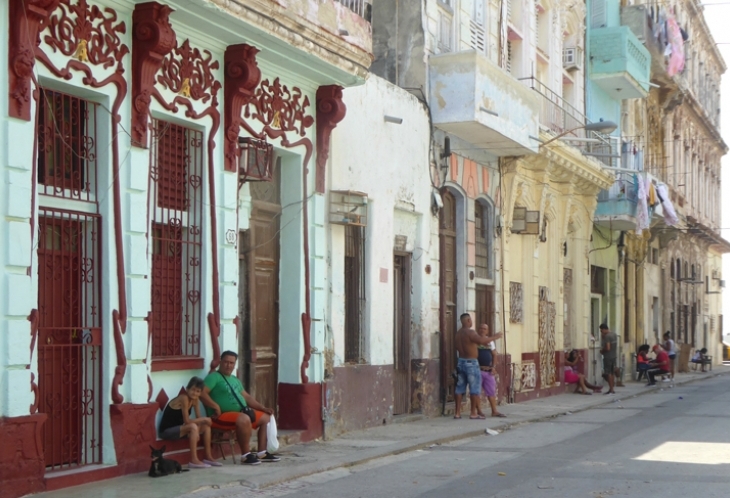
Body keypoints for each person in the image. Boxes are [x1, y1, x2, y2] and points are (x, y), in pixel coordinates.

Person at [200, 351, 280, 465]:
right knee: (244, 419)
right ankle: (246, 455)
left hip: (240, 413)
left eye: (232, 363)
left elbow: (247, 397)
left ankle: (262, 453)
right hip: (220, 416)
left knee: (266, 418)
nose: (229, 365)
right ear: (220, 362)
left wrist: (262, 408)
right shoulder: (213, 377)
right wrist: (215, 406)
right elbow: (202, 393)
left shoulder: (235, 379)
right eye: (226, 362)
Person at [158, 376, 222, 469]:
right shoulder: (183, 398)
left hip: (179, 430)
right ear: (187, 389)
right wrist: (203, 421)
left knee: (206, 427)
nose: (195, 393)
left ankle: (208, 457)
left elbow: (198, 418)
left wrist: (199, 429)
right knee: (192, 426)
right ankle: (194, 460)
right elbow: (187, 421)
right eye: (193, 390)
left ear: (200, 393)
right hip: (166, 431)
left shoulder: (195, 400)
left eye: (198, 391)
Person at [454, 313, 503, 420]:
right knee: (474, 388)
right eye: (470, 320)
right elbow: (481, 340)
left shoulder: (458, 334)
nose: (471, 322)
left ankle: (457, 413)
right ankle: (473, 413)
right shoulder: (470, 332)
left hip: (461, 361)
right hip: (471, 363)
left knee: (459, 388)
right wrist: (495, 337)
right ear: (467, 321)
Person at [476, 324, 506, 418]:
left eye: (484, 329)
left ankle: (494, 411)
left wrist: (493, 367)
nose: (482, 330)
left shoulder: (490, 342)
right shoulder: (475, 340)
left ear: (487, 331)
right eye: (481, 328)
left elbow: (494, 355)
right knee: (476, 392)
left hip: (488, 371)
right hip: (477, 370)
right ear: (478, 329)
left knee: (491, 392)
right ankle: (479, 411)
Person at [599, 323, 617, 395]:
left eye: (601, 331)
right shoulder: (614, 334)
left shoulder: (607, 336)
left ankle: (611, 389)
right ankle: (612, 388)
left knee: (608, 373)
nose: (601, 332)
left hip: (608, 357)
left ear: (603, 329)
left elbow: (608, 348)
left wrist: (602, 351)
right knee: (612, 372)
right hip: (613, 356)